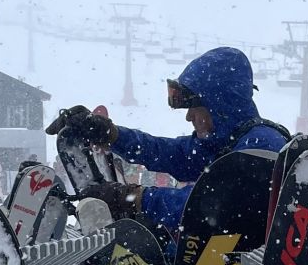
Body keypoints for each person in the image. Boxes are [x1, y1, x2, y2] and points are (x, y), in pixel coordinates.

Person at [44, 46, 289, 234]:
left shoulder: (260, 148)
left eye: (193, 107)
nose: (189, 117)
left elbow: (207, 204)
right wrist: (112, 135)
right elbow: (170, 153)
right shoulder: (230, 143)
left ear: (218, 105)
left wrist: (134, 198)